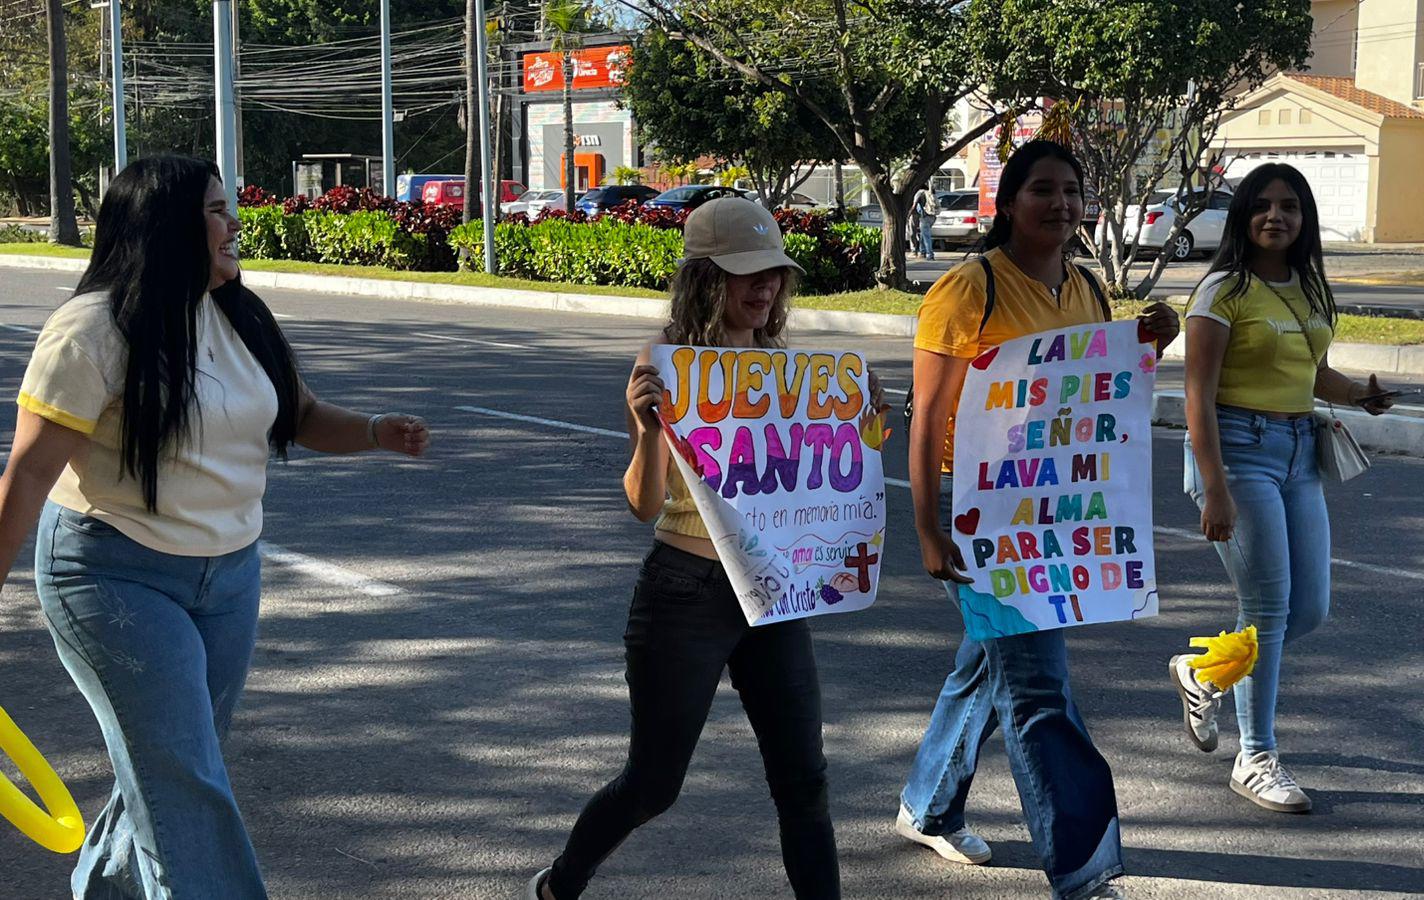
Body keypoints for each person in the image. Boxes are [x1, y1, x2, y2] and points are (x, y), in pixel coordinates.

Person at [0, 155, 431, 898]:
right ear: (167, 226)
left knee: (171, 768)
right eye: (216, 210)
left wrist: (373, 431)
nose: (234, 223)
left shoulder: (237, 314)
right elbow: (29, 475)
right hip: (112, 575)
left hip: (228, 577)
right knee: (182, 775)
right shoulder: (90, 332)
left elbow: (299, 414)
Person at [528, 198, 882, 900]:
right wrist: (646, 429)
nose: (764, 287)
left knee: (804, 781)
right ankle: (562, 883)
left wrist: (864, 422)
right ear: (704, 278)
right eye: (745, 273)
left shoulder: (785, 371)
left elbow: (824, 482)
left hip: (773, 592)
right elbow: (643, 505)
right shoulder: (666, 365)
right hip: (685, 591)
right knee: (653, 785)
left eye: (774, 273)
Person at [896, 140, 1178, 900]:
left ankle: (927, 804)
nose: (1061, 204)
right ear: (1010, 203)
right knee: (1038, 689)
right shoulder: (969, 289)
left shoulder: (1086, 287)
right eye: (1043, 189)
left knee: (992, 661)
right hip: (976, 507)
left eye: (1072, 191)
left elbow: (1094, 389)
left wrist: (1147, 343)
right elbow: (928, 417)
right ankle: (1083, 873)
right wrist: (929, 529)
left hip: (1051, 507)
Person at [1170, 163, 1394, 814]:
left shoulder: (1310, 287)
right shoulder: (1222, 290)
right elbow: (1197, 395)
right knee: (1267, 610)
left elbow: (1314, 372)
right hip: (1237, 453)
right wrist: (1215, 487)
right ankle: (1256, 758)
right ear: (1243, 216)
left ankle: (1204, 671)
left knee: (1309, 609)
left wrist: (1361, 395)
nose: (1276, 216)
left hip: (1300, 452)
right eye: (1263, 205)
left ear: (1305, 218)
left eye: (1290, 206)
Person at [914, 181, 940, 260]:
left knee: (926, 236)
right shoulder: (930, 193)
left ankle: (930, 254)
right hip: (933, 216)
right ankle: (922, 252)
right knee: (923, 234)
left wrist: (908, 215)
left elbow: (914, 205)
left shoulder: (919, 193)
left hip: (924, 216)